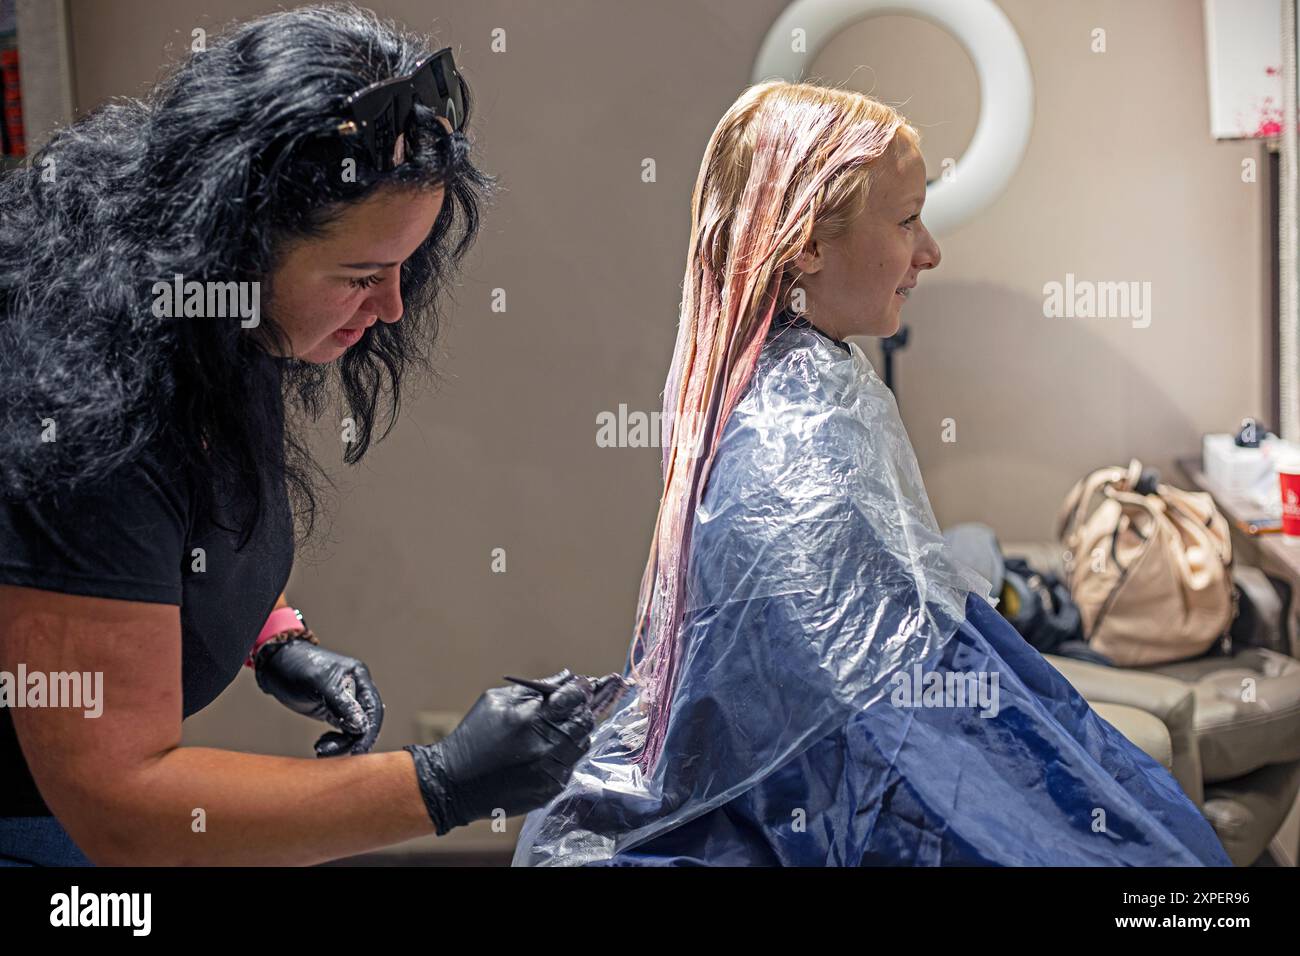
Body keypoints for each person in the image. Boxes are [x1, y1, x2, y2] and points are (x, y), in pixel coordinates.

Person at [512, 81, 1233, 866]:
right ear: (806, 245)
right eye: (907, 220)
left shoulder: (807, 388)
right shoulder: (797, 445)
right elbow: (855, 748)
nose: (931, 252)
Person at [0, 4, 593, 867]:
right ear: (232, 244)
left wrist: (271, 634)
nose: (391, 307)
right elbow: (120, 806)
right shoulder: (88, 418)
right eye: (361, 275)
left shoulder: (216, 325)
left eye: (405, 268)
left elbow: (171, 534)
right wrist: (440, 784)